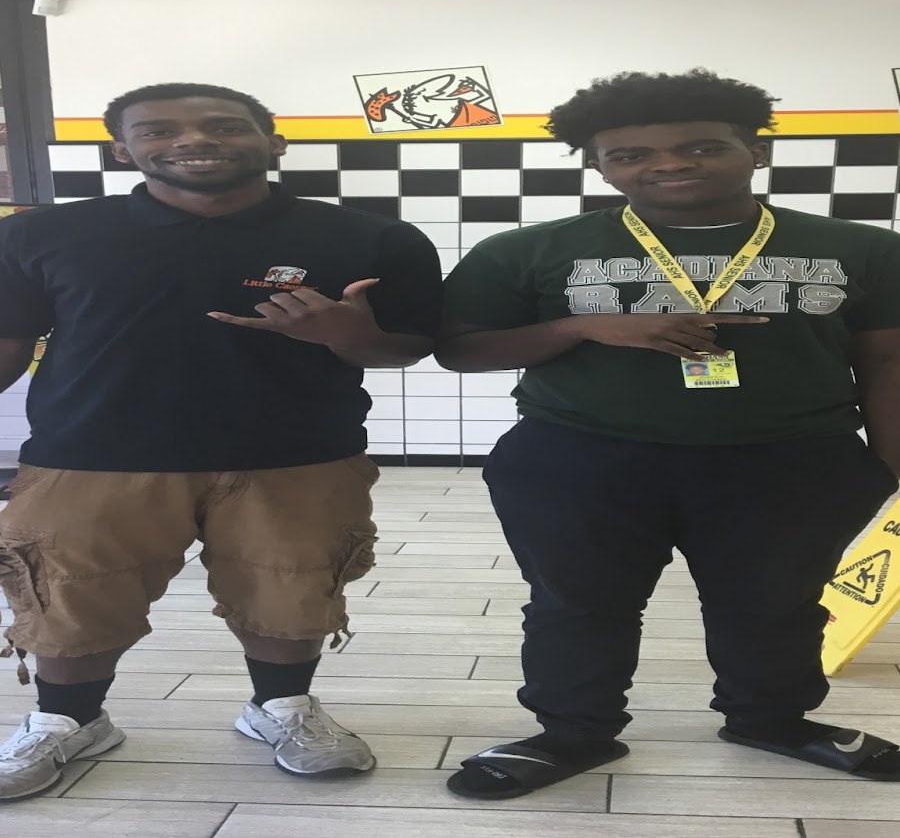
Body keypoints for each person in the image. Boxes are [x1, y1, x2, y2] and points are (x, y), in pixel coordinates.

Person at [436, 69, 900, 799]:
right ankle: (572, 732)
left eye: (702, 146)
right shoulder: (526, 250)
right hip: (580, 457)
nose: (669, 164)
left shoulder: (863, 248)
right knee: (576, 602)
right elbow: (460, 350)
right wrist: (584, 327)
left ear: (756, 152)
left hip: (793, 461)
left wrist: (888, 466)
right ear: (600, 166)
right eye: (630, 154)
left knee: (778, 603)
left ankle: (773, 720)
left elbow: (886, 361)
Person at [0, 83, 442, 801]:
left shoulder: (371, 239)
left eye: (223, 126)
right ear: (124, 150)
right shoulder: (41, 235)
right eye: (158, 130)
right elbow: (8, 341)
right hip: (91, 455)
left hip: (298, 453)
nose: (192, 140)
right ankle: (68, 721)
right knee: (70, 595)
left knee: (292, 588)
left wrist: (349, 336)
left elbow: (408, 346)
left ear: (274, 143)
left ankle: (281, 709)